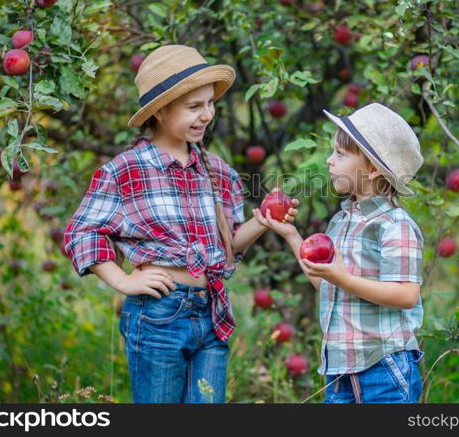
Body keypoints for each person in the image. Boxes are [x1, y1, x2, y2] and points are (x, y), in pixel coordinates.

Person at [64, 45, 299, 403]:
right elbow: (81, 231)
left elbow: (230, 243)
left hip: (212, 311)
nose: (206, 115)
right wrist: (123, 280)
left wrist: (263, 221)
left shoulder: (217, 170)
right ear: (159, 111)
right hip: (159, 314)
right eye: (194, 107)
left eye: (210, 104)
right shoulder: (128, 170)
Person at [254, 102, 425, 403]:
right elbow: (327, 285)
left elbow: (406, 294)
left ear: (372, 169)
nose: (329, 161)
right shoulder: (343, 220)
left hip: (382, 366)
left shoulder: (394, 225)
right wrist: (292, 235)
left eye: (340, 154)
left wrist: (344, 279)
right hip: (340, 369)